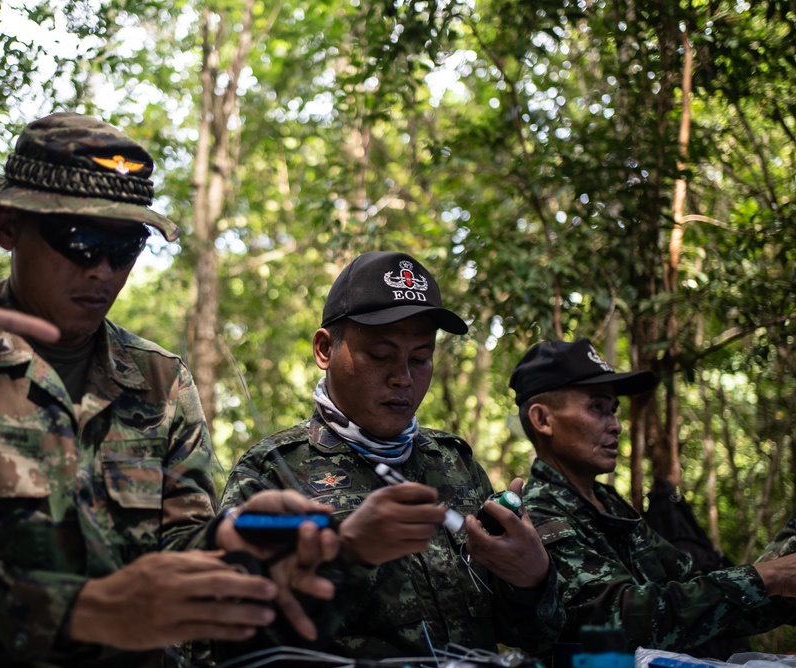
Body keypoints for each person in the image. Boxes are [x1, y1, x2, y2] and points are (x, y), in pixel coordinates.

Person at [0, 112, 339, 668]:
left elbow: (175, 545)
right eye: (79, 240)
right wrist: (80, 610)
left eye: (125, 248)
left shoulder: (159, 381)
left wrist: (232, 541)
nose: (102, 271)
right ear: (7, 226)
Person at [218, 251, 564, 659]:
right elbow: (226, 642)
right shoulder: (273, 471)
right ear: (325, 349)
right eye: (381, 356)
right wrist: (345, 555)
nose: (402, 378)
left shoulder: (454, 463)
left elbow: (535, 635)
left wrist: (532, 580)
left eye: (420, 358)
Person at [511, 337, 796, 656]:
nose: (616, 425)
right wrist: (768, 577)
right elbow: (619, 622)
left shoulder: (609, 504)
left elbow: (701, 597)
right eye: (597, 408)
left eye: (614, 410)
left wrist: (782, 569)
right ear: (542, 420)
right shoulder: (538, 514)